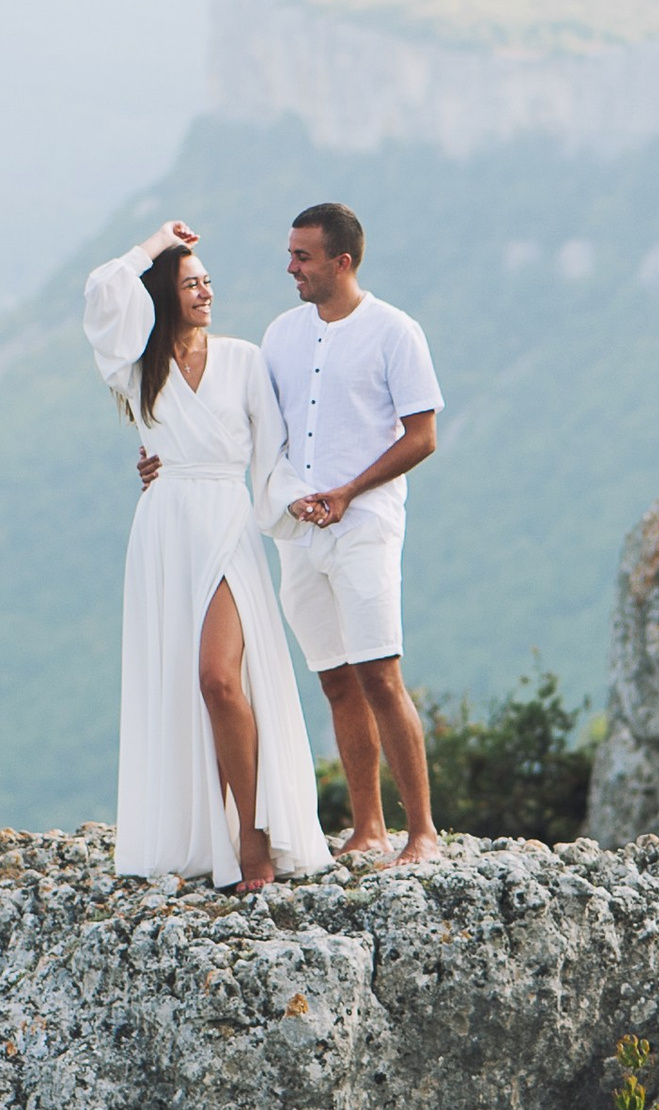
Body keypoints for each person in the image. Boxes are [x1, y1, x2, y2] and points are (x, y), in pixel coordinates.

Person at [149, 200, 446, 869]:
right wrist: (159, 457)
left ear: (341, 262)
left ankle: (423, 832)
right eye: (290, 255)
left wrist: (348, 492)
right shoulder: (280, 336)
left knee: (380, 676)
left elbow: (423, 435)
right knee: (335, 680)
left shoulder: (395, 332)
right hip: (296, 532)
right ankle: (368, 828)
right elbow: (243, 421)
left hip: (365, 525)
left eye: (302, 257)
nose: (290, 268)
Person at [83, 218, 329, 891]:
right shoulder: (139, 369)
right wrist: (155, 243)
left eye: (208, 282)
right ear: (164, 293)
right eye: (191, 283)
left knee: (220, 680)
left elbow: (272, 458)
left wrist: (301, 503)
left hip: (226, 522)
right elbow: (104, 291)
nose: (206, 292)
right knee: (183, 686)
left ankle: (254, 838)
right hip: (164, 531)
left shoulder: (244, 359)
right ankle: (201, 834)